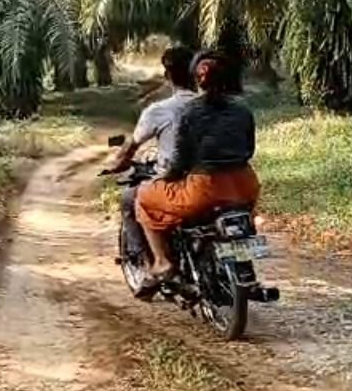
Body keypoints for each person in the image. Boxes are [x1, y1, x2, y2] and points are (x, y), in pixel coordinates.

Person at [136, 50, 260, 286]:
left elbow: (180, 159)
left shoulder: (190, 112)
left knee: (144, 196)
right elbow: (249, 149)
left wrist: (167, 177)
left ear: (196, 78)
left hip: (205, 189)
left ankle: (162, 261)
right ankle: (245, 265)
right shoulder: (243, 110)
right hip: (245, 185)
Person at [107, 45, 198, 265]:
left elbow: (132, 145)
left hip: (179, 183)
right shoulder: (213, 107)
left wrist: (118, 164)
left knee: (132, 198)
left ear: (167, 75)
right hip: (217, 179)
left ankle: (155, 262)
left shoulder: (160, 110)